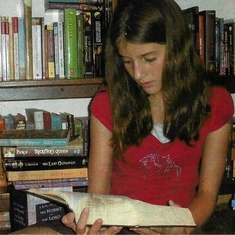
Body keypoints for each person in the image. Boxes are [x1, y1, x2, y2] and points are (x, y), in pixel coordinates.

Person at [62, 0, 234, 234]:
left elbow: (207, 194)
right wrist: (91, 226)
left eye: (149, 58)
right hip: (119, 227)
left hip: (184, 224)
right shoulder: (107, 102)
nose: (138, 74)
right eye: (127, 61)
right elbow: (98, 196)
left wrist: (183, 228)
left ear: (176, 48)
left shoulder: (216, 103)